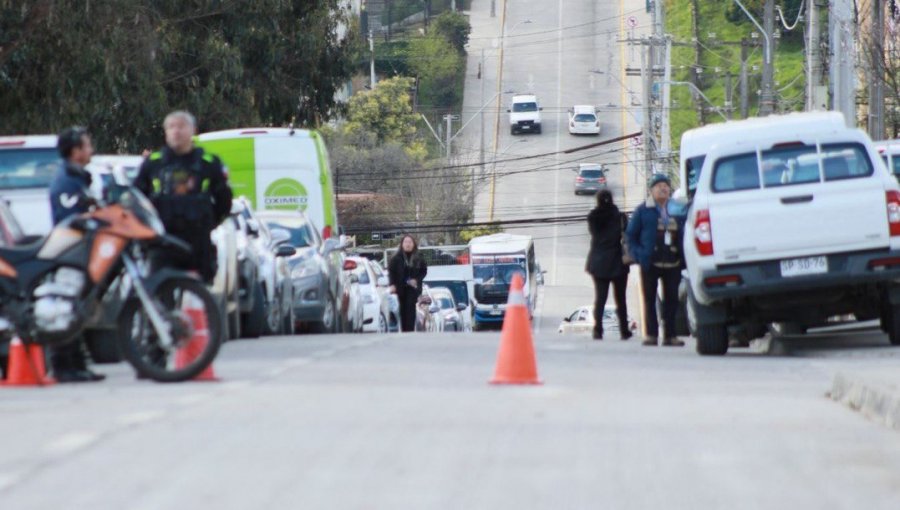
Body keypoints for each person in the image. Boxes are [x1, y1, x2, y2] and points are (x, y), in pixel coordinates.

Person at [134, 111, 232, 282]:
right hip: (162, 241)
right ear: (165, 132)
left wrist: (209, 221)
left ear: (193, 130)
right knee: (159, 295)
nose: (176, 131)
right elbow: (137, 197)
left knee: (197, 297)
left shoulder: (208, 162)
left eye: (181, 126)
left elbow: (224, 199)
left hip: (197, 241)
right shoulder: (153, 163)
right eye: (171, 127)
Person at [47, 127, 105, 382]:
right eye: (87, 145)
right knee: (68, 305)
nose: (91, 149)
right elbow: (69, 217)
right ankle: (63, 366)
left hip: (80, 250)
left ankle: (78, 365)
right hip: (70, 251)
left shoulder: (78, 176)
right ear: (76, 151)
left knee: (77, 307)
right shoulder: (66, 179)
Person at [626, 173, 686, 347]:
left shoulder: (677, 209)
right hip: (650, 263)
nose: (663, 188)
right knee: (649, 300)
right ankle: (651, 334)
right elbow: (631, 236)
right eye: (659, 186)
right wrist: (639, 254)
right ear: (651, 190)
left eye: (666, 186)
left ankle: (670, 336)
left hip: (673, 262)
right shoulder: (643, 210)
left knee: (672, 301)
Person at [585, 189, 631, 341]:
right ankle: (624, 330)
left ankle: (598, 330)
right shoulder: (620, 217)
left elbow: (594, 234)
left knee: (600, 298)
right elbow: (627, 235)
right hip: (618, 261)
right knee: (621, 299)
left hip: (598, 262)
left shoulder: (593, 217)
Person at [388, 235, 428, 332]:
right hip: (399, 288)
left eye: (410, 242)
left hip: (412, 289)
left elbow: (423, 271)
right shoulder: (395, 258)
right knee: (401, 310)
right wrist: (392, 284)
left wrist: (416, 280)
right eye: (406, 242)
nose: (408, 244)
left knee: (410, 309)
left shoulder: (418, 257)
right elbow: (391, 272)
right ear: (402, 244)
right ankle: (401, 329)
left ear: (414, 244)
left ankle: (409, 331)